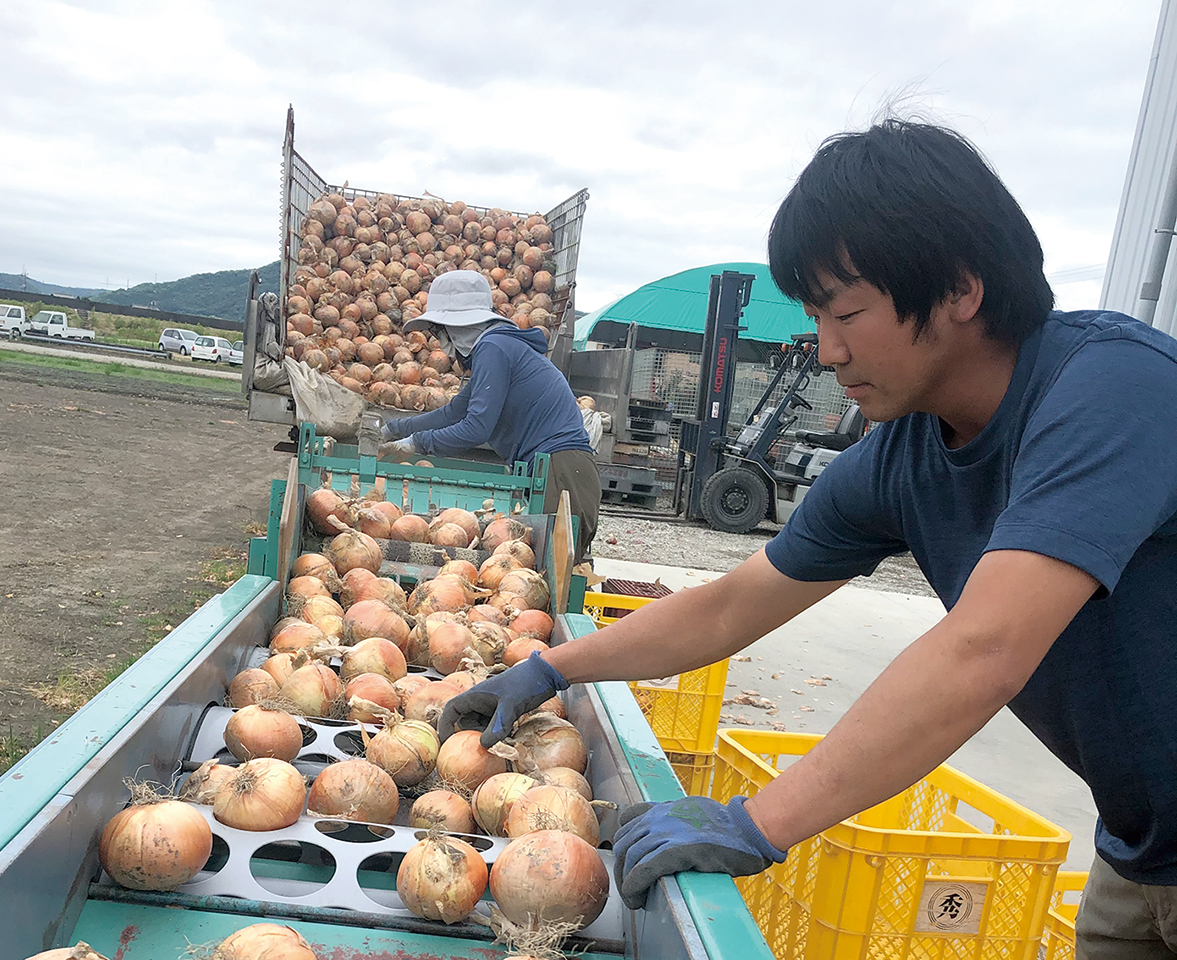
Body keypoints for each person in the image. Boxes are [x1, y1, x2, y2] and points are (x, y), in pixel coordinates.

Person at [438, 120, 1177, 957]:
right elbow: (729, 606)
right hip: (1140, 849)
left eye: (848, 312)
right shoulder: (902, 453)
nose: (827, 350)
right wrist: (546, 667)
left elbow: (985, 646)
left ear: (960, 289)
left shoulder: (1112, 390)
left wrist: (761, 821)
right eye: (817, 316)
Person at [381, 270, 600, 563]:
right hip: (556, 469)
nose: (440, 343)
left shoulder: (492, 348)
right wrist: (392, 430)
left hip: (561, 475)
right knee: (538, 568)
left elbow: (476, 428)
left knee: (552, 574)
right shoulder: (498, 347)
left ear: (455, 327)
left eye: (438, 331)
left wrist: (414, 443)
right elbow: (454, 412)